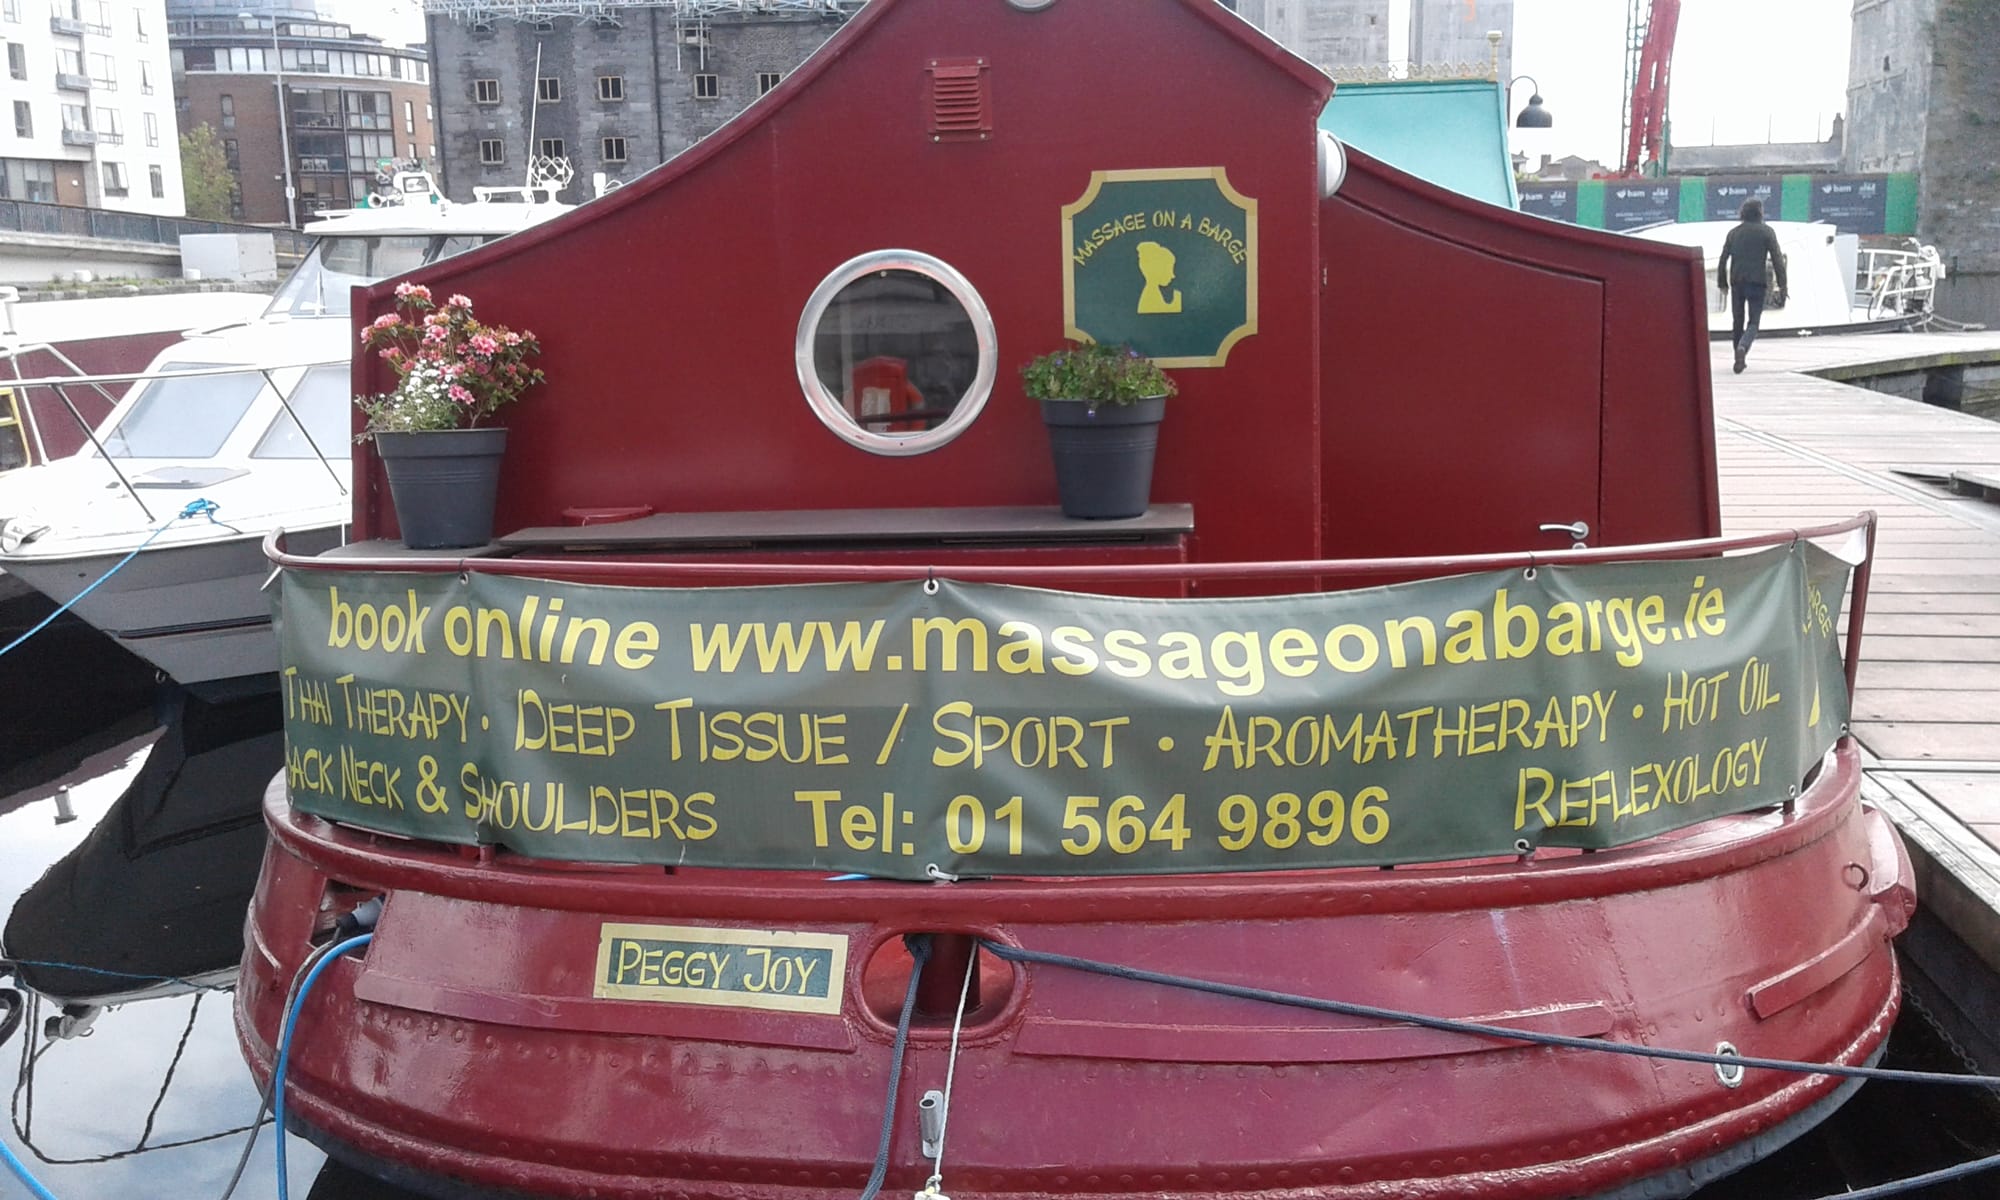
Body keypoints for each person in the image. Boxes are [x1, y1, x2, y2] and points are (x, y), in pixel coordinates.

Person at [1717, 198, 1787, 373]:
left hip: (1737, 282)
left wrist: (1722, 282)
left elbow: (1723, 259)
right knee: (1754, 322)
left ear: (1743, 213)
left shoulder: (1733, 233)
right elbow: (1777, 260)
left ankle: (1738, 357)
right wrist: (1783, 285)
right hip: (1757, 282)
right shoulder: (1767, 232)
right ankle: (1743, 347)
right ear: (1760, 213)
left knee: (1737, 321)